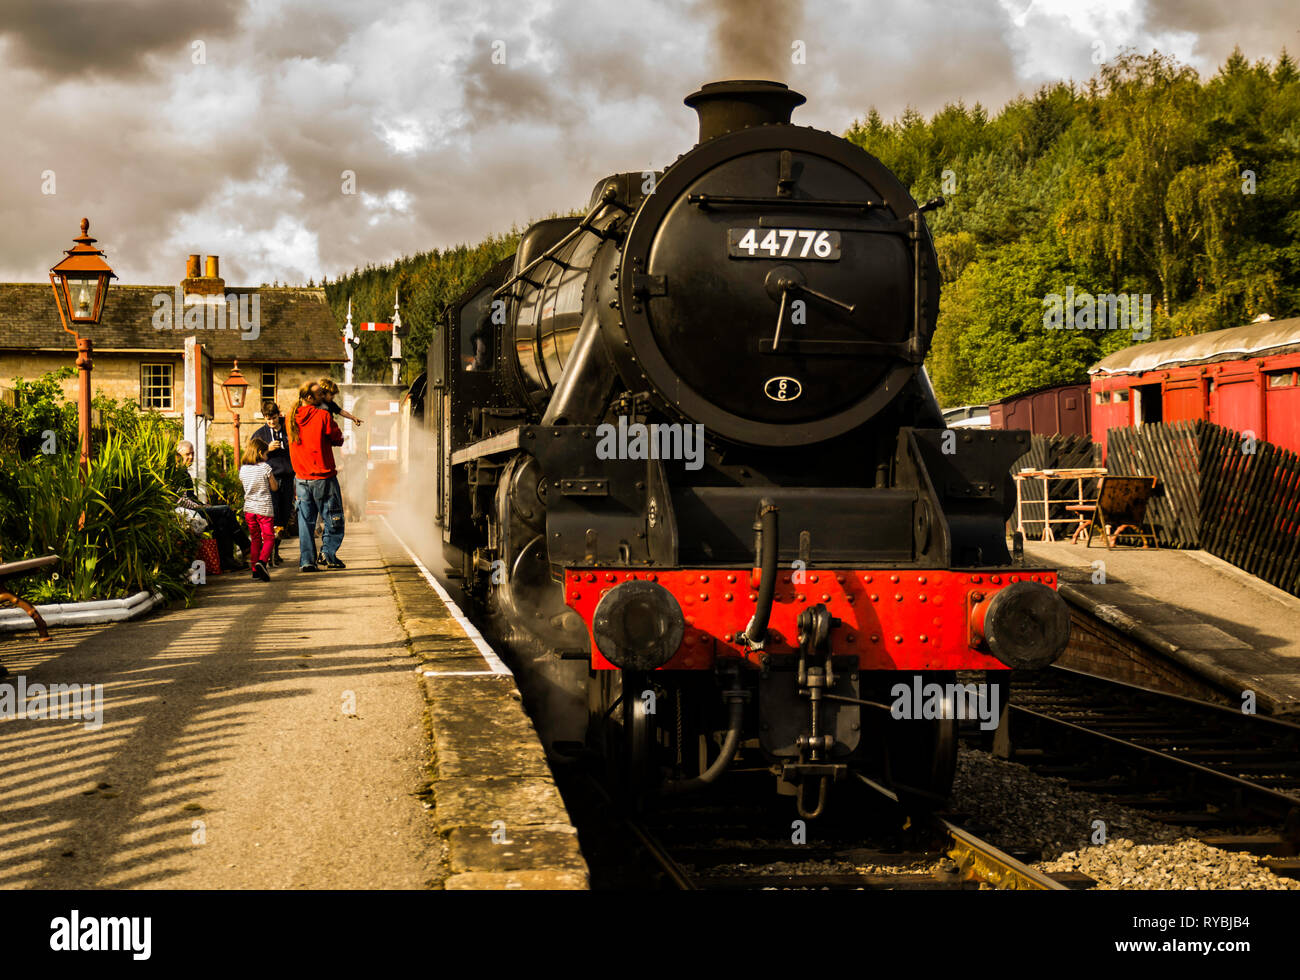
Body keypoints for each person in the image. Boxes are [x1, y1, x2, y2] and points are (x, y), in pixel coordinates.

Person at [288, 382, 345, 571]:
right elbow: (337, 438)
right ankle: (328, 553)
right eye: (320, 394)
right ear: (310, 398)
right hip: (323, 477)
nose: (324, 396)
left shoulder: (291, 418)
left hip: (301, 478)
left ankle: (307, 561)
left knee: (305, 521)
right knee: (333, 516)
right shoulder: (323, 416)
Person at [172, 440, 250, 572]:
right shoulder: (175, 474)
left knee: (223, 520)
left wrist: (202, 505)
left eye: (192, 454)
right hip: (185, 514)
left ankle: (227, 562)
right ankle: (246, 546)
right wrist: (200, 508)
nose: (191, 457)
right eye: (187, 454)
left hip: (193, 511)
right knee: (225, 510)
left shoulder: (184, 472)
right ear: (178, 455)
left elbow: (191, 497)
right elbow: (180, 500)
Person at [250, 400, 296, 565]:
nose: (272, 422)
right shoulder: (259, 434)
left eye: (274, 418)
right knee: (272, 516)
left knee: (283, 516)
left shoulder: (289, 429)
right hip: (269, 480)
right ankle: (271, 554)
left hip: (288, 477)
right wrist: (268, 449)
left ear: (279, 415)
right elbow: (252, 456)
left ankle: (275, 551)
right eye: (268, 419)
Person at [238, 437, 278, 582]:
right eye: (266, 454)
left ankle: (255, 570)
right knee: (268, 538)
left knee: (255, 539)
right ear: (261, 453)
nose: (267, 457)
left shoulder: (243, 469)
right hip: (264, 509)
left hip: (249, 509)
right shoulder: (265, 467)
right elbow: (274, 487)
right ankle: (262, 561)